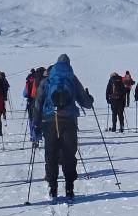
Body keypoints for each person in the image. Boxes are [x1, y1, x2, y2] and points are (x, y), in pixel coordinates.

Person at [36, 54, 94, 201]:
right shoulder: (73, 79)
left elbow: (38, 103)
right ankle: (69, 187)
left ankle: (53, 187)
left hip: (50, 120)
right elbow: (86, 103)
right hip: (69, 120)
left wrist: (36, 123)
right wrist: (89, 98)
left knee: (51, 154)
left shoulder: (47, 81)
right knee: (69, 154)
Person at [25, 66, 47, 148]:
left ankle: (34, 138)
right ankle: (45, 137)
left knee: (33, 120)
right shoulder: (46, 79)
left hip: (32, 102)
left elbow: (25, 93)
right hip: (44, 103)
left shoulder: (31, 79)